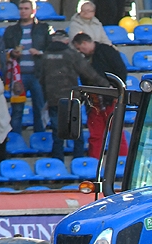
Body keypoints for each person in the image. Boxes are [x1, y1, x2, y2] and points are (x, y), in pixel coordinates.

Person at [40, 30, 108, 160]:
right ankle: (78, 162)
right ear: (66, 41)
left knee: (57, 133)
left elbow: (40, 78)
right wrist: (107, 86)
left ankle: (58, 164)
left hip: (53, 99)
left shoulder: (45, 56)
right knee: (76, 133)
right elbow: (89, 73)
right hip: (70, 98)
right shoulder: (72, 55)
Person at [72, 32, 128, 159]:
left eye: (80, 48)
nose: (80, 51)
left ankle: (122, 164)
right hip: (94, 102)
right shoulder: (84, 58)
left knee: (116, 133)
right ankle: (94, 164)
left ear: (84, 43)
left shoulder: (106, 50)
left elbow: (121, 70)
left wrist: (116, 90)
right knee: (96, 135)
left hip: (111, 98)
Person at [3, 0, 52, 136]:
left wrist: (40, 53)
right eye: (21, 8)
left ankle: (40, 139)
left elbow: (51, 49)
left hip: (38, 75)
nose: (23, 11)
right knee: (17, 110)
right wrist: (12, 52)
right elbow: (3, 50)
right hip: (18, 76)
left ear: (33, 11)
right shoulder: (10, 30)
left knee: (39, 108)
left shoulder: (44, 28)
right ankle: (15, 139)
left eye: (26, 8)